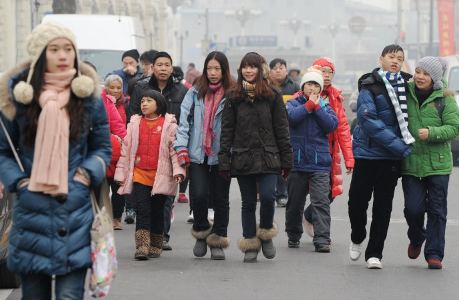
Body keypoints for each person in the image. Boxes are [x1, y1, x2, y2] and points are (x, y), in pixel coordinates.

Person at [0, 22, 111, 299]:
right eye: (54, 49)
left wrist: (86, 174)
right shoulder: (20, 99)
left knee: (69, 296)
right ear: (40, 56)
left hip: (74, 211)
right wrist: (19, 182)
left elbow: (102, 148)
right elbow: (3, 151)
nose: (63, 56)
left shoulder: (88, 99)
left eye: (68, 49)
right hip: (31, 214)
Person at [219, 52, 292, 263]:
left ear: (261, 70)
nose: (248, 71)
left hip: (269, 157)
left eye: (253, 67)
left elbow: (282, 129)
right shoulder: (233, 96)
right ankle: (250, 241)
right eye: (245, 67)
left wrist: (287, 160)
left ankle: (266, 232)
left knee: (268, 197)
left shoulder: (272, 95)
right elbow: (227, 131)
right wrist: (224, 159)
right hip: (243, 158)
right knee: (248, 203)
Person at [348, 44, 413, 269]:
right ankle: (357, 235)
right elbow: (368, 120)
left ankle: (375, 253)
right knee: (356, 203)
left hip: (390, 160)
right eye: (391, 57)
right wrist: (399, 146)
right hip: (367, 155)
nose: (396, 61)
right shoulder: (370, 85)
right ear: (381, 59)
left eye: (400, 58)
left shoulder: (409, 86)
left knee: (383, 207)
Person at [175, 51, 234, 260]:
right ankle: (201, 232)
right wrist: (181, 147)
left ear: (224, 70)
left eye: (217, 69)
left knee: (221, 199)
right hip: (197, 154)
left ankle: (218, 239)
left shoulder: (232, 93)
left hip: (223, 155)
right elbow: (184, 123)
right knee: (198, 195)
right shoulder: (194, 92)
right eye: (210, 68)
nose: (213, 73)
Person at [401, 56, 459, 269]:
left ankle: (434, 253)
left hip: (438, 165)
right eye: (418, 71)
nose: (420, 77)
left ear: (434, 77)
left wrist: (432, 132)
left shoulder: (445, 98)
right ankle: (417, 237)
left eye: (425, 73)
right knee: (412, 209)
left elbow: (454, 127)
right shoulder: (405, 92)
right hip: (411, 163)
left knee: (437, 210)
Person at [115, 89, 185, 260]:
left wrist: (178, 171)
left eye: (148, 101)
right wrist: (120, 174)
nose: (144, 104)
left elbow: (173, 152)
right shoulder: (134, 124)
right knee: (142, 209)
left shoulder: (169, 125)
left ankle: (156, 243)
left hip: (160, 176)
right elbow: (126, 150)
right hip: (139, 174)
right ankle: (142, 245)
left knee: (157, 210)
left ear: (159, 104)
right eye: (142, 101)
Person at [130, 51, 188, 251]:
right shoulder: (140, 88)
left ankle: (161, 236)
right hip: (142, 155)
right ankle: (144, 244)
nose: (163, 68)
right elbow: (132, 116)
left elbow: (187, 121)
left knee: (164, 201)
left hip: (169, 151)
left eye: (167, 65)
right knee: (143, 205)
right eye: (159, 65)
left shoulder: (182, 91)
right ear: (152, 68)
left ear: (172, 68)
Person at [284, 68, 338, 252]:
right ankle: (293, 234)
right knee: (294, 203)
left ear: (321, 88)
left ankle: (322, 239)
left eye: (316, 84)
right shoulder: (292, 103)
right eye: (309, 84)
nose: (312, 87)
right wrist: (308, 107)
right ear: (303, 86)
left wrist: (317, 108)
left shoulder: (326, 106)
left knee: (321, 202)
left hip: (319, 163)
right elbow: (290, 118)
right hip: (297, 162)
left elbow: (331, 125)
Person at [302, 57, 354, 238]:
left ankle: (309, 216)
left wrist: (349, 158)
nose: (327, 75)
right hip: (305, 152)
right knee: (303, 193)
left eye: (330, 72)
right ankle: (298, 230)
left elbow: (343, 129)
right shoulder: (300, 94)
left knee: (330, 192)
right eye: (322, 71)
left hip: (329, 153)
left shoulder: (335, 97)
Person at [269, 58, 300, 208]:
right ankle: (278, 194)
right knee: (275, 163)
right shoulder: (265, 88)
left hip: (290, 131)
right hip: (270, 131)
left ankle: (288, 193)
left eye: (281, 67)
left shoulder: (295, 87)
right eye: (275, 68)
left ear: (286, 70)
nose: (278, 70)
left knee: (289, 163)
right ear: (270, 71)